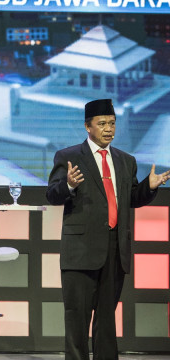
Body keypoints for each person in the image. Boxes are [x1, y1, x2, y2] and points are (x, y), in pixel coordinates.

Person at [46, 99, 170, 360]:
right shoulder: (68, 157)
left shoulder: (126, 160)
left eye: (112, 123)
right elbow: (52, 195)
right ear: (87, 127)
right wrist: (68, 185)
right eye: (102, 124)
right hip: (80, 252)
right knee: (77, 321)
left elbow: (131, 199)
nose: (109, 129)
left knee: (107, 322)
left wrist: (149, 186)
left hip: (115, 251)